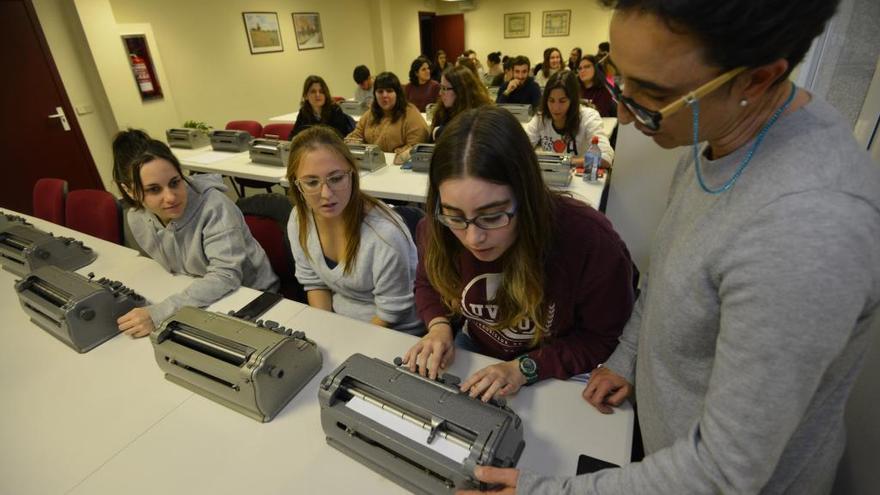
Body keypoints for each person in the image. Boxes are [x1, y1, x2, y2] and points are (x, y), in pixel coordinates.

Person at [463, 0, 880, 493]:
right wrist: (629, 357)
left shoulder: (807, 227)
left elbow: (724, 472)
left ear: (756, 79)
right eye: (621, 79)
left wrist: (543, 491)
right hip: (661, 448)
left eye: (651, 94)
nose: (622, 111)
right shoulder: (717, 140)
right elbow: (664, 276)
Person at [402, 106, 635, 402]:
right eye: (455, 216)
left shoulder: (587, 238)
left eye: (493, 215)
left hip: (560, 363)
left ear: (526, 195)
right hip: (479, 351)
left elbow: (602, 336)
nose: (474, 238)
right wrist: (438, 326)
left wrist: (524, 368)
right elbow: (428, 282)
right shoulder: (435, 227)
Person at [111, 130, 279, 338]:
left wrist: (160, 313)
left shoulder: (214, 206)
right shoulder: (136, 216)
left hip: (251, 296)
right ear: (130, 191)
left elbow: (225, 276)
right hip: (198, 290)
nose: (170, 197)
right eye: (154, 190)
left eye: (175, 182)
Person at [286, 126, 422, 333]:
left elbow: (391, 311)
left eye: (336, 178)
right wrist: (324, 330)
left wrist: (346, 343)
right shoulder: (299, 219)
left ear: (352, 174)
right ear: (297, 185)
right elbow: (314, 283)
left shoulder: (385, 235)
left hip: (396, 333)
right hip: (342, 323)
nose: (326, 194)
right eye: (312, 182)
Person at [525, 70, 614, 168]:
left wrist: (565, 162)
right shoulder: (541, 117)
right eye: (551, 100)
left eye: (562, 101)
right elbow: (519, 145)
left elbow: (606, 158)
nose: (555, 108)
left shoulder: (589, 117)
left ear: (573, 100)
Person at [345, 71, 429, 161]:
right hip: (373, 165)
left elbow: (416, 146)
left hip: (400, 167)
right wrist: (355, 145)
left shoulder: (410, 114)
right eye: (380, 91)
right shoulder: (370, 114)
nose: (384, 95)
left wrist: (397, 154)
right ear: (375, 94)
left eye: (389, 91)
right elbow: (354, 137)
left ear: (398, 93)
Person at [430, 65, 493, 141]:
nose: (440, 93)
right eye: (441, 87)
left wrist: (440, 132)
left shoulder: (480, 113)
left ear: (460, 90)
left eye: (444, 88)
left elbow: (470, 139)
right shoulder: (441, 110)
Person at [291, 75, 355, 140]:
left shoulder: (335, 110)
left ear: (325, 94)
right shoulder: (303, 112)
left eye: (321, 91)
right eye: (313, 92)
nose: (317, 95)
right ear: (306, 96)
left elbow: (340, 138)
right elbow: (292, 136)